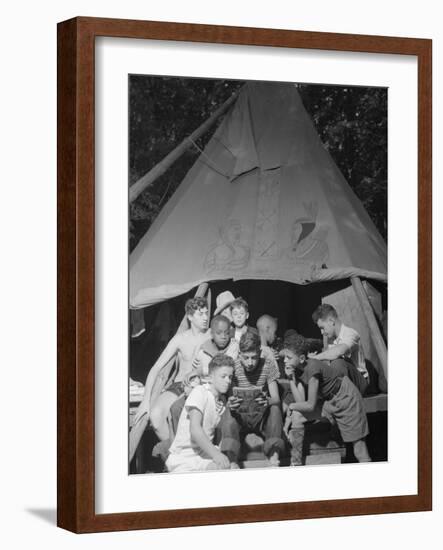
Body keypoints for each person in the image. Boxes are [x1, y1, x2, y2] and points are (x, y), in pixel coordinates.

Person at [282, 333, 371, 463]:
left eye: (288, 357)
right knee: (298, 416)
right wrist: (291, 378)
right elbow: (301, 403)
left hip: (346, 399)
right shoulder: (298, 369)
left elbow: (310, 405)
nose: (285, 361)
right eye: (284, 357)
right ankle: (295, 462)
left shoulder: (312, 368)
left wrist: (291, 406)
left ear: (301, 358)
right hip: (329, 402)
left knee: (359, 450)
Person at [133, 297, 210, 441]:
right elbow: (155, 369)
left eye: (207, 313)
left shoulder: (212, 335)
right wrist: (145, 400)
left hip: (202, 385)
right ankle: (173, 453)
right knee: (156, 416)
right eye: (201, 314)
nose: (205, 317)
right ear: (190, 316)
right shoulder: (180, 339)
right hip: (179, 385)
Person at [166, 355, 237, 473]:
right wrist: (216, 455)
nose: (228, 381)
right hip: (185, 457)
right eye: (223, 376)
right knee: (223, 469)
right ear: (210, 377)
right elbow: (195, 429)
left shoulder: (221, 402)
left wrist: (221, 455)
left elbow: (217, 435)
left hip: (204, 455)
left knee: (233, 467)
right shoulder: (200, 392)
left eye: (230, 377)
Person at [226, 331, 285, 466]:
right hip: (242, 416)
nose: (250, 362)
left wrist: (269, 400)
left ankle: (274, 456)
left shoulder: (268, 364)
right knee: (228, 411)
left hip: (261, 417)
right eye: (246, 358)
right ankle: (232, 461)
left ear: (260, 353)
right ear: (239, 354)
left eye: (254, 357)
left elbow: (276, 398)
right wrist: (231, 402)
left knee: (275, 408)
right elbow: (230, 395)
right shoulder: (234, 367)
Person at [310, 304, 369, 395]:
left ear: (331, 321)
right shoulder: (331, 340)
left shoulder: (350, 333)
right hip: (344, 381)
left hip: (360, 382)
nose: (322, 332)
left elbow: (339, 351)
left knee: (338, 362)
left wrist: (316, 358)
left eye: (322, 328)